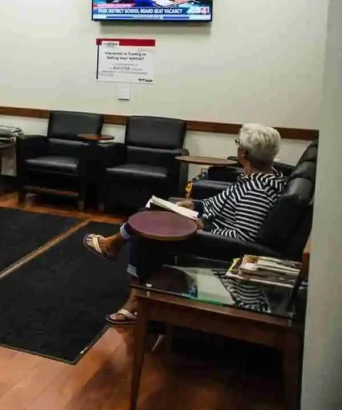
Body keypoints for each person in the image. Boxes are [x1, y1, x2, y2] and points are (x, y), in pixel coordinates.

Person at [82, 123, 286, 325]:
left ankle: (133, 293)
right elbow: (222, 204)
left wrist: (203, 228)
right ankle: (116, 249)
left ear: (244, 153)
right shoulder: (256, 178)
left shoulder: (258, 191)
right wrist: (196, 204)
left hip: (214, 241)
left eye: (238, 144)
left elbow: (243, 236)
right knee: (152, 210)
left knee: (147, 226)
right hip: (207, 224)